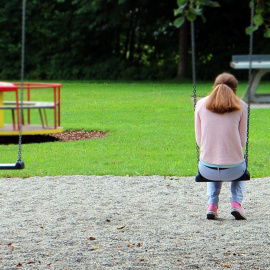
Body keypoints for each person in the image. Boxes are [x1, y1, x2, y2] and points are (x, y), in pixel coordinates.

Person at [195, 73, 248, 220]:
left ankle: (212, 205)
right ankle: (236, 203)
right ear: (235, 89)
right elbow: (242, 142)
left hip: (207, 170)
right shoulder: (242, 106)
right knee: (240, 161)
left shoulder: (200, 104)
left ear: (214, 87)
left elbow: (199, 142)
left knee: (212, 159)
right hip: (235, 170)